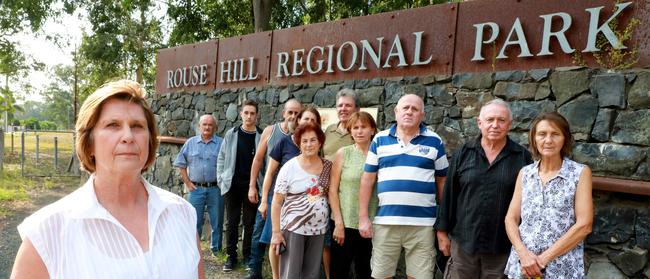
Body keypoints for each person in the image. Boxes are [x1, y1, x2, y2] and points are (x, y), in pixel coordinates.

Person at [11, 80, 205, 278]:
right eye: (113, 125)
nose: (128, 136)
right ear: (89, 143)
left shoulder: (182, 214)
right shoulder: (46, 233)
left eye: (137, 126)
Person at [435, 99, 533, 279]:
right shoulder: (463, 153)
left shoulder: (521, 157)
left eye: (501, 120)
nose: (495, 125)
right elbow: (448, 195)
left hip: (502, 246)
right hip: (464, 244)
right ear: (480, 123)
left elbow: (528, 203)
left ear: (509, 125)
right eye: (490, 120)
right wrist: (441, 233)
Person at [359, 94, 448, 279]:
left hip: (423, 225)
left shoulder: (435, 141)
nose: (409, 112)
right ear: (396, 112)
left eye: (415, 109)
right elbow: (367, 179)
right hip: (385, 223)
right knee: (381, 275)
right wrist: (363, 217)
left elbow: (442, 182)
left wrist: (443, 225)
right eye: (405, 108)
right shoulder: (380, 140)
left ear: (422, 115)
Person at [504, 112, 593, 278]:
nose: (548, 140)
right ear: (534, 139)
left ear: (565, 138)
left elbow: (584, 225)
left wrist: (543, 259)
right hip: (522, 267)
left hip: (562, 268)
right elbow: (511, 219)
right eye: (542, 134)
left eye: (555, 134)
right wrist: (523, 254)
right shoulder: (525, 173)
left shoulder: (579, 173)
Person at [259, 107, 321, 279]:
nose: (309, 123)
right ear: (299, 120)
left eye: (313, 120)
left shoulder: (315, 144)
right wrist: (264, 200)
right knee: (276, 241)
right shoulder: (285, 142)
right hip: (278, 199)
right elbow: (270, 172)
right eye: (306, 119)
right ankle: (276, 276)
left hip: (306, 209)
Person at [246, 99, 302, 279]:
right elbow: (258, 159)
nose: (293, 116)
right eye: (290, 112)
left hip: (290, 197)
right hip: (268, 193)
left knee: (281, 236)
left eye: (296, 113)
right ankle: (255, 271)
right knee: (259, 232)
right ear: (284, 113)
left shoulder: (302, 137)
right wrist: (252, 186)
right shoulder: (271, 131)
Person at [270, 122, 332, 279]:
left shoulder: (328, 166)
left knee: (311, 274)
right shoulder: (289, 167)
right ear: (298, 143)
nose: (309, 144)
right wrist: (276, 233)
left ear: (320, 142)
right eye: (304, 141)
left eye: (313, 140)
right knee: (291, 273)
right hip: (293, 229)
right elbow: (277, 202)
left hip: (318, 229)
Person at [329, 111, 379, 279]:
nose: (359, 131)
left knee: (367, 271)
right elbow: (333, 190)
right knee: (339, 271)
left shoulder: (380, 154)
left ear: (372, 129)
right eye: (355, 128)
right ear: (350, 131)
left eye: (363, 127)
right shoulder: (344, 153)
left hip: (372, 223)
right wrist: (338, 223)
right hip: (345, 224)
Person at [217, 100, 263, 271]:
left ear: (257, 115)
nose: (249, 116)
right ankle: (231, 257)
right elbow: (221, 157)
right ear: (241, 114)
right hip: (232, 186)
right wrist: (221, 179)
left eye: (252, 113)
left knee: (250, 223)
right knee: (232, 222)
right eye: (246, 113)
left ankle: (247, 257)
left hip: (252, 187)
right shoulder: (232, 133)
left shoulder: (261, 135)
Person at [321, 88, 359, 278]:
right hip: (323, 196)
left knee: (346, 244)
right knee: (327, 242)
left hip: (347, 198)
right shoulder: (329, 130)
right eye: (340, 105)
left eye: (348, 105)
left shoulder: (359, 132)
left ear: (356, 108)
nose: (343, 109)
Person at [174, 114, 224, 255]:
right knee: (194, 221)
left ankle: (216, 251)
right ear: (199, 126)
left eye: (210, 125)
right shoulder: (190, 143)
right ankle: (194, 251)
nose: (207, 127)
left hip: (216, 189)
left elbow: (228, 165)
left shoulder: (222, 143)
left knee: (217, 221)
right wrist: (188, 183)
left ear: (215, 127)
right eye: (205, 124)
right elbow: (180, 164)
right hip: (196, 189)